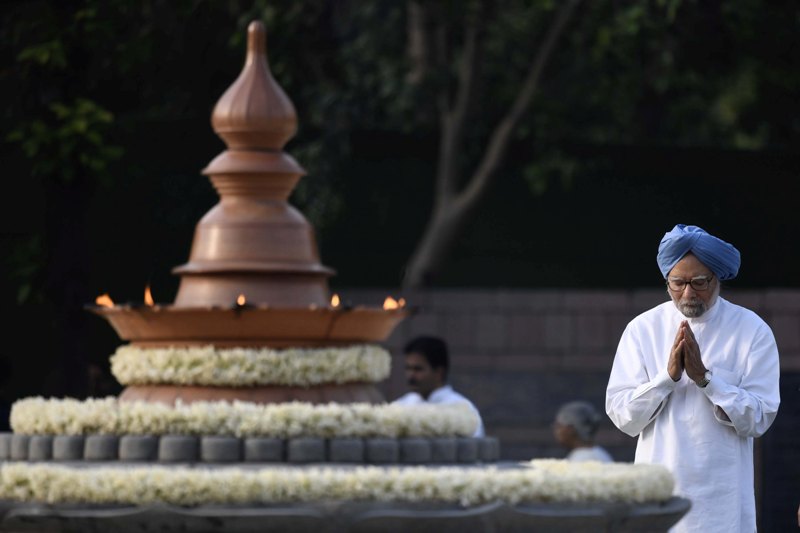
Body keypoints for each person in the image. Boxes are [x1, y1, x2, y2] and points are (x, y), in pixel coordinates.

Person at [606, 224, 780, 532]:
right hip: (659, 496)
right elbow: (623, 416)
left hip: (721, 502)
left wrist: (707, 381)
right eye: (677, 283)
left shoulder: (751, 330)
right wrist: (667, 379)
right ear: (666, 281)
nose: (688, 293)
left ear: (717, 278)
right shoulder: (643, 329)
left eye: (699, 282)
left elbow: (760, 418)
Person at [393, 335, 485, 437]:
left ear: (439, 372)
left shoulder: (463, 410)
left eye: (418, 369)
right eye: (408, 368)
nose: (411, 375)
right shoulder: (402, 405)